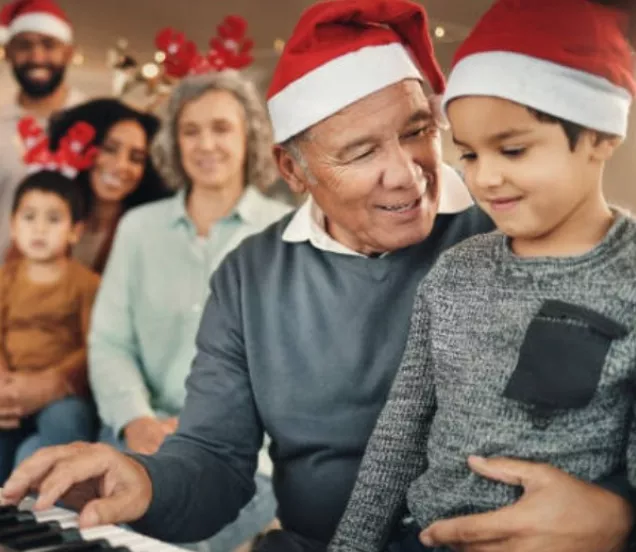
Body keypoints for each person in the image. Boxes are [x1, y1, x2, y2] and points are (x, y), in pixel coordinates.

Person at [2, 2, 634, 552]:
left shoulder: (517, 229)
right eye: (360, 153)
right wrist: (144, 481)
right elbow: (218, 462)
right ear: (294, 171)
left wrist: (620, 521)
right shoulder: (252, 275)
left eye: (419, 133)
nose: (409, 174)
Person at [328, 0, 636, 551]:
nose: (486, 178)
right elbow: (401, 430)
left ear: (599, 137)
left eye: (512, 149)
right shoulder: (457, 271)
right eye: (468, 154)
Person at [88, 71, 290, 551]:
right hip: (134, 436)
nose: (206, 144)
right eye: (191, 130)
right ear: (174, 143)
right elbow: (109, 341)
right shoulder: (139, 229)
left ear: (251, 138)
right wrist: (137, 420)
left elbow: (297, 369)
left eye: (222, 128)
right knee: (92, 533)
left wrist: (209, 430)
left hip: (243, 457)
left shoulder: (288, 233)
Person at [0, 125, 101, 481]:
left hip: (61, 391)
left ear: (75, 230)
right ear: (13, 226)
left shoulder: (86, 284)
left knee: (65, 419)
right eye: (29, 218)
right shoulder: (5, 278)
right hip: (9, 387)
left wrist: (53, 379)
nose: (39, 229)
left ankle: (59, 502)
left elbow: (94, 347)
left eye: (53, 219)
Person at [0, 0, 86, 259]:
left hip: (82, 285)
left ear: (68, 52)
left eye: (49, 45)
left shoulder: (93, 120)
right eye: (24, 45)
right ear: (8, 52)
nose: (37, 57)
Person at [47, 98, 171, 273]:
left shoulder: (150, 234)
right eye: (109, 149)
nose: (121, 165)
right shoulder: (46, 214)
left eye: (136, 158)